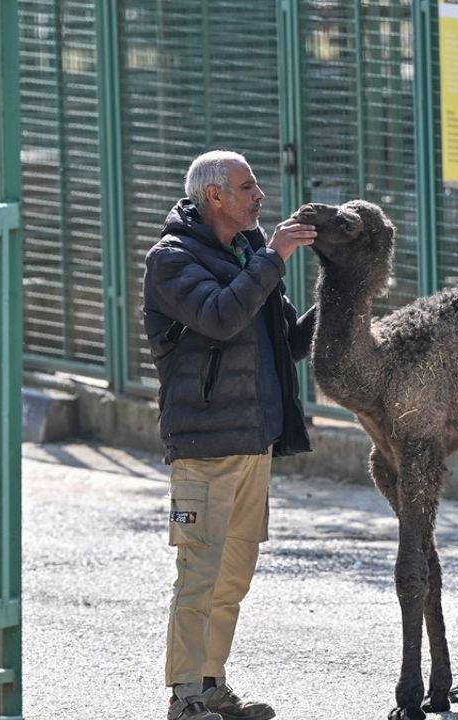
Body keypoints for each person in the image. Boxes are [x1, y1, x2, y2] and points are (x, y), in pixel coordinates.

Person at [142, 150, 318, 720]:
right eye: (248, 188)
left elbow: (286, 340)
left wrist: (338, 295)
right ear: (214, 197)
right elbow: (219, 316)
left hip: (253, 441)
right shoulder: (170, 260)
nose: (259, 196)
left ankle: (212, 684)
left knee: (233, 577)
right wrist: (274, 258)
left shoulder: (248, 252)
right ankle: (185, 696)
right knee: (199, 574)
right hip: (203, 448)